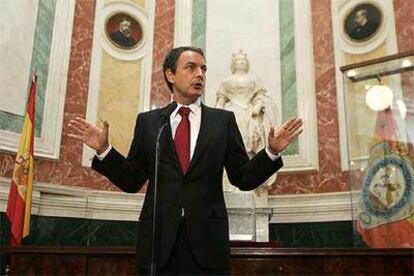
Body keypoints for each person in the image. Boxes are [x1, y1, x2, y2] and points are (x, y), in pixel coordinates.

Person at [68, 46, 303, 275]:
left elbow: (242, 177)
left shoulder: (223, 121)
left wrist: (271, 151)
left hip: (208, 245)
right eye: (190, 67)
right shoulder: (150, 123)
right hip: (158, 246)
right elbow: (132, 180)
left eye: (203, 68)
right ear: (170, 74)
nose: (199, 74)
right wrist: (104, 150)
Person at [216, 49, 279, 192]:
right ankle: (230, 182)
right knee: (231, 146)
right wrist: (216, 114)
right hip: (231, 114)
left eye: (243, 60)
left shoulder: (254, 80)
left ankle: (250, 177)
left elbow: (260, 96)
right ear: (234, 64)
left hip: (250, 114)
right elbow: (222, 99)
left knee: (249, 143)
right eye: (238, 60)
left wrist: (257, 106)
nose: (241, 62)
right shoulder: (227, 81)